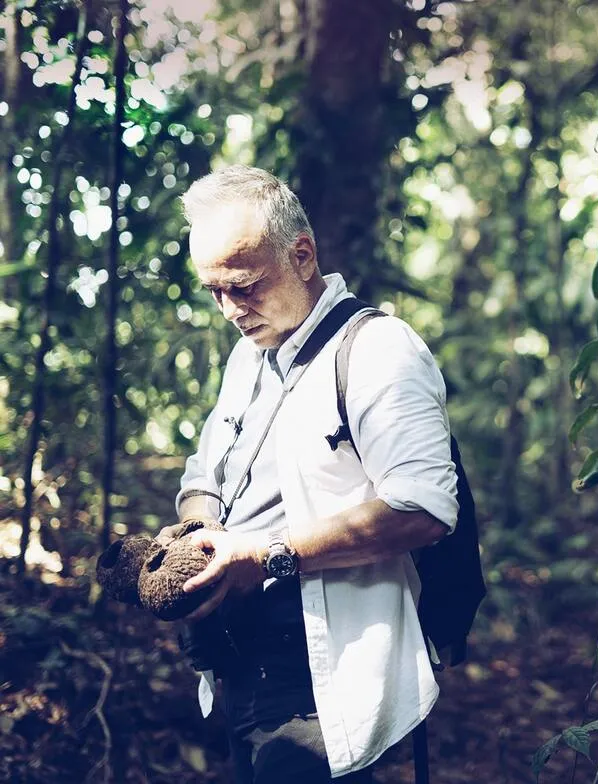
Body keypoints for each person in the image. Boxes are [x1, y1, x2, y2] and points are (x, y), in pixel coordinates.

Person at [158, 165, 458, 783]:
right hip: (241, 662)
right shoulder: (249, 356)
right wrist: (198, 539)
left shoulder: (379, 349)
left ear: (301, 256)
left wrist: (263, 555)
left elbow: (424, 508)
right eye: (213, 291)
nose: (229, 310)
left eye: (243, 286)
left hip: (323, 673)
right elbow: (204, 474)